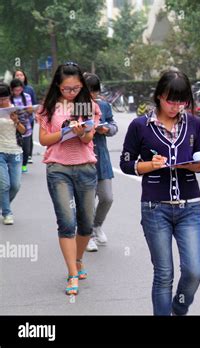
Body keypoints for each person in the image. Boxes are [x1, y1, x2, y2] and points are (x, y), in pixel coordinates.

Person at [120, 69, 200, 316]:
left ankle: (179, 308)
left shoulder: (194, 124)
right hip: (154, 207)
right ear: (159, 96)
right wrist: (149, 165)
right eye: (171, 100)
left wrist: (196, 164)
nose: (176, 106)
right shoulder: (140, 126)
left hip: (189, 205)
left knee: (193, 271)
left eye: (182, 101)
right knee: (164, 273)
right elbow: (127, 163)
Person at [38, 62, 101, 296]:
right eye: (67, 89)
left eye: (76, 88)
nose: (71, 92)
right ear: (58, 85)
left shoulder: (89, 106)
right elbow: (44, 139)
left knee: (86, 223)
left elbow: (87, 140)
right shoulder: (49, 106)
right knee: (66, 221)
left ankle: (78, 258)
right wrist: (64, 132)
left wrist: (81, 131)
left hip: (85, 166)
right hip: (58, 168)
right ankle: (72, 273)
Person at [83, 73, 118, 252]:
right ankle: (86, 234)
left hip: (101, 157)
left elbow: (113, 125)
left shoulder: (103, 105)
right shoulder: (75, 106)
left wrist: (107, 129)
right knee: (86, 201)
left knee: (107, 197)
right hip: (82, 158)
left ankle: (97, 225)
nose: (93, 97)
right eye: (89, 92)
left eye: (95, 93)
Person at [0, 83, 26, 225]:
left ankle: (3, 205)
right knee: (4, 185)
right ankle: (7, 213)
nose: (2, 102)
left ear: (9, 97)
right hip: (0, 152)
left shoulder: (16, 110)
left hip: (15, 151)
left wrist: (16, 121)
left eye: (4, 99)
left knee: (15, 185)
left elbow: (24, 131)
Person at [10, 78, 33, 173]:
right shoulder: (8, 99)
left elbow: (30, 110)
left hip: (26, 126)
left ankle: (24, 164)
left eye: (20, 90)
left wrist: (30, 110)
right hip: (13, 127)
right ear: (11, 89)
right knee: (16, 148)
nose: (18, 92)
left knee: (26, 148)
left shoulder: (27, 96)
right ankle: (15, 165)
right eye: (16, 90)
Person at [14, 70, 37, 164]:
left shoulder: (29, 89)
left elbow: (34, 103)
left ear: (24, 77)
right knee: (17, 137)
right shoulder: (10, 91)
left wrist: (35, 113)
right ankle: (17, 156)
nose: (19, 76)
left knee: (28, 136)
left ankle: (29, 155)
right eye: (17, 75)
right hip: (16, 119)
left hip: (28, 118)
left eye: (21, 75)